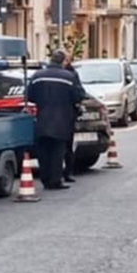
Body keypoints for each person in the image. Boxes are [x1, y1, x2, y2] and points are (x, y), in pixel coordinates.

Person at [27, 50, 84, 190]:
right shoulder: (69, 77)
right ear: (63, 61)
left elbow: (30, 96)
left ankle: (45, 178)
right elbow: (78, 96)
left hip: (42, 119)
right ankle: (55, 180)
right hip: (62, 119)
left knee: (44, 151)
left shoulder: (37, 76)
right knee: (58, 152)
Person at [62, 53, 86, 183]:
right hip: (67, 114)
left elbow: (79, 93)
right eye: (64, 59)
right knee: (65, 145)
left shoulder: (72, 74)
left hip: (67, 114)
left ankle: (67, 172)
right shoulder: (70, 75)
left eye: (67, 59)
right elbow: (79, 94)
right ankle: (64, 173)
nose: (66, 62)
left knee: (67, 145)